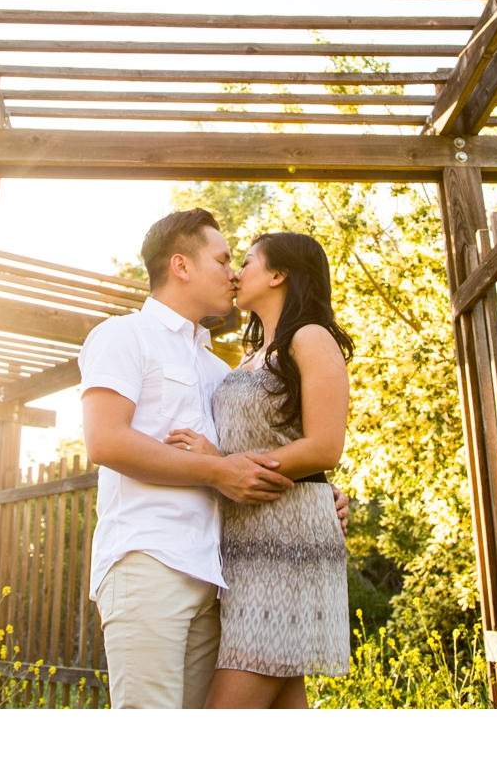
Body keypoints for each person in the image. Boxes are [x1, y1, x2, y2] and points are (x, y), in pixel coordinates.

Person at [79, 209, 346, 709]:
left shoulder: (214, 367)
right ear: (181, 266)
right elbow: (106, 443)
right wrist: (221, 470)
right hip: (148, 560)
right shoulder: (124, 336)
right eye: (224, 259)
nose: (232, 272)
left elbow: (262, 447)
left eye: (240, 261)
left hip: (217, 575)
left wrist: (310, 489)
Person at [165, 232, 352, 708]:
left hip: (289, 541)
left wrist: (221, 463)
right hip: (244, 543)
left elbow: (325, 446)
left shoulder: (310, 337)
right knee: (281, 700)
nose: (235, 272)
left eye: (246, 262)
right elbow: (269, 439)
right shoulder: (250, 358)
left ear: (277, 274)